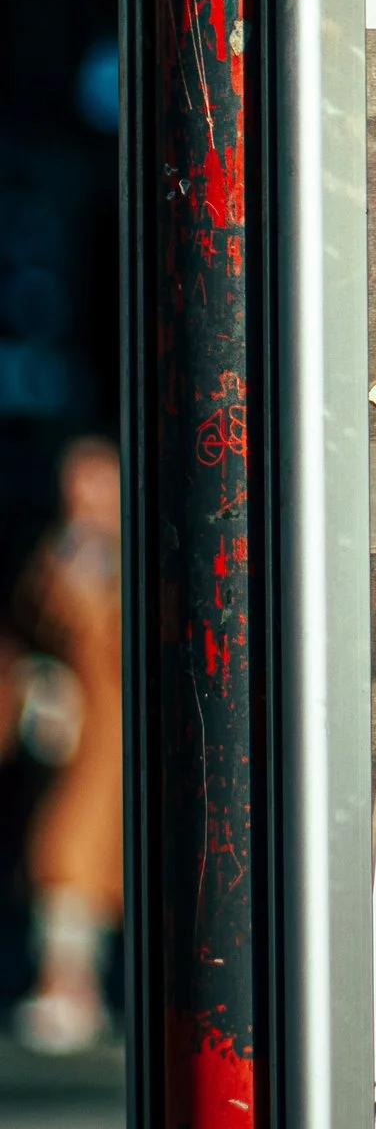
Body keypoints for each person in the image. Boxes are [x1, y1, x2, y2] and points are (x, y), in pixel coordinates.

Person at [11, 432, 123, 1055]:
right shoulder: (63, 551)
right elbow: (34, 627)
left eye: (95, 479)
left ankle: (80, 990)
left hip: (120, 738)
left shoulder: (125, 550)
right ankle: (68, 987)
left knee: (88, 859)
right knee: (66, 861)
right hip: (81, 741)